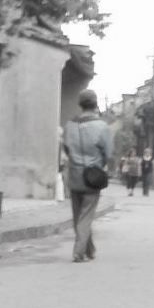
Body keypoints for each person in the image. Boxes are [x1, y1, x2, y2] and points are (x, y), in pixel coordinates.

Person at [62, 89, 112, 263]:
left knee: (78, 215)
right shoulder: (102, 126)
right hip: (93, 175)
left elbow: (66, 149)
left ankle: (89, 249)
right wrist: (99, 163)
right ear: (95, 103)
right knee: (86, 216)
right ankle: (79, 252)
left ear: (80, 104)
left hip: (74, 174)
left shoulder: (69, 125)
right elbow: (108, 153)